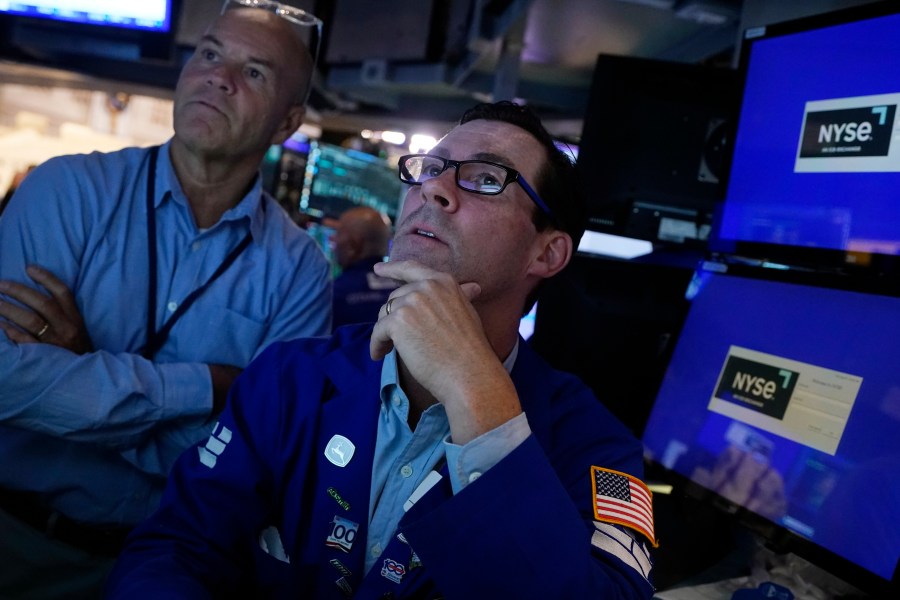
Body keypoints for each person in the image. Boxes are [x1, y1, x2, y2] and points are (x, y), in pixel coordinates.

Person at [106, 101, 656, 599]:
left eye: (487, 179)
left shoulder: (597, 447)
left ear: (548, 252)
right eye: (431, 169)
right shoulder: (291, 377)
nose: (434, 189)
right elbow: (174, 549)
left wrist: (476, 390)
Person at [0, 2, 331, 597]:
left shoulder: (300, 270)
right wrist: (207, 386)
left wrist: (83, 367)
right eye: (209, 54)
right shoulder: (66, 189)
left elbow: (257, 464)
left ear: (287, 123)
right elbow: (6, 380)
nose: (218, 77)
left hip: (159, 570)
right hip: (11, 537)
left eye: (254, 72)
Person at [331, 205, 399, 328]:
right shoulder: (404, 292)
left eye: (338, 233)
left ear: (353, 246)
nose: (333, 238)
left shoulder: (333, 295)